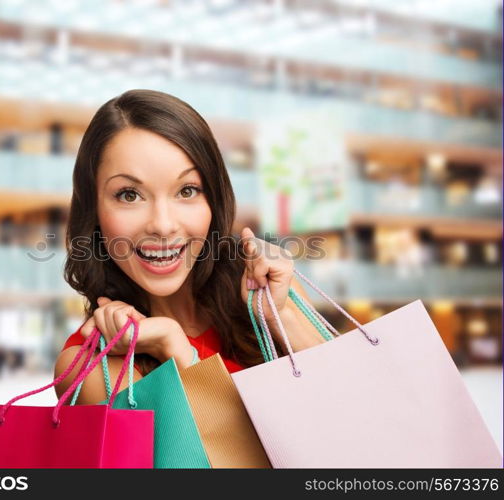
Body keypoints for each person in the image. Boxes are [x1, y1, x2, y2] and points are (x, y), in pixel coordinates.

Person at [54, 89, 325, 405]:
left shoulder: (270, 291)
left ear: (213, 197)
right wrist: (176, 349)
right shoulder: (93, 368)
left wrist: (283, 317)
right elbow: (237, 454)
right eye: (129, 195)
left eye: (187, 190)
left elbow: (359, 404)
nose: (163, 225)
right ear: (94, 210)